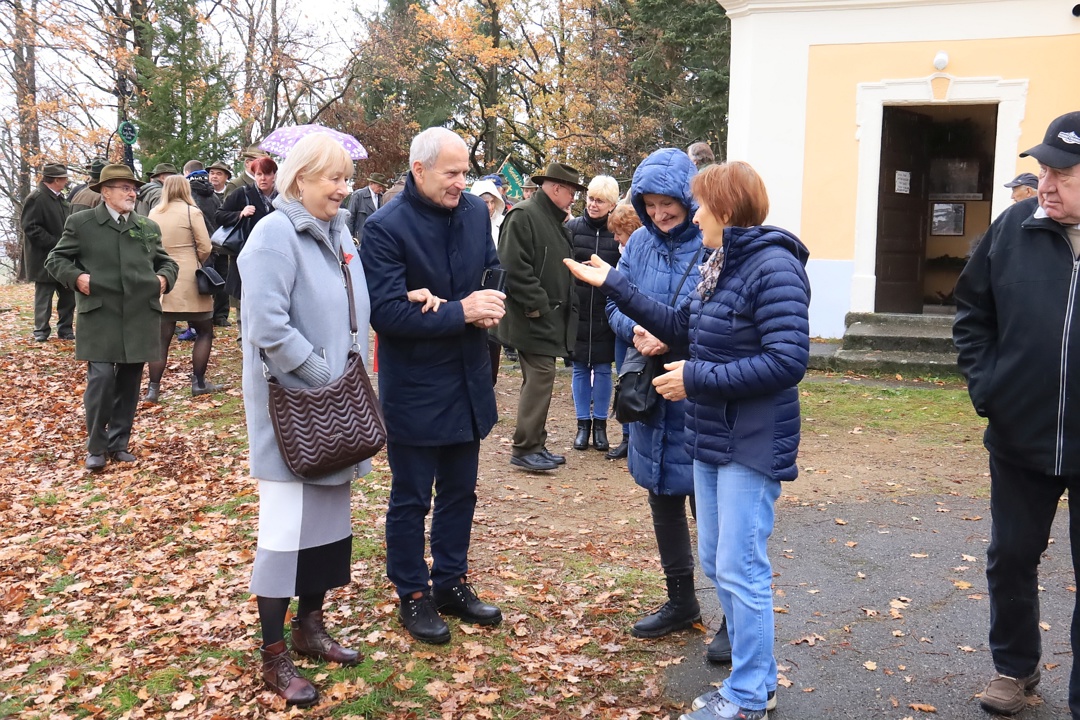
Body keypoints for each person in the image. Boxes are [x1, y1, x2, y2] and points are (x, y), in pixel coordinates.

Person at [567, 160, 811, 720]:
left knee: (741, 567)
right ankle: (757, 682)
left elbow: (787, 361)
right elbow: (682, 327)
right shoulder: (718, 260)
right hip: (712, 435)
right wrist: (615, 283)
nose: (693, 216)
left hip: (750, 440)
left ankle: (748, 695)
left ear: (726, 209)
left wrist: (696, 378)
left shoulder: (773, 266)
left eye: (702, 207)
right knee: (718, 562)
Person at [954, 110, 1080, 720]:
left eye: (1063, 175)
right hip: (1019, 435)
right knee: (1010, 557)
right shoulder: (1013, 227)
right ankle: (1014, 668)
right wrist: (990, 390)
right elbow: (972, 314)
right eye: (1043, 170)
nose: (1045, 185)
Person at [238, 133, 370, 707]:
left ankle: (309, 627)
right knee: (284, 536)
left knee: (326, 530)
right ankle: (274, 655)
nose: (343, 189)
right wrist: (319, 373)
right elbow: (266, 325)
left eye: (347, 178)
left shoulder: (338, 234)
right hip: (294, 413)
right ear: (300, 179)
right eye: (333, 178)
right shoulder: (273, 236)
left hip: (336, 409)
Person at [361, 127, 506, 645]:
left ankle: (450, 582)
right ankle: (413, 593)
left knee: (460, 492)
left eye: (465, 172)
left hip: (468, 377)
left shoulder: (474, 213)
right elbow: (386, 314)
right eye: (452, 173)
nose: (461, 182)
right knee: (411, 497)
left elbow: (493, 270)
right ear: (419, 170)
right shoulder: (384, 227)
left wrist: (490, 302)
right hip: (417, 385)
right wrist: (460, 311)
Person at [602, 149, 713, 644]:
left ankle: (733, 616)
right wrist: (636, 331)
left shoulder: (712, 241)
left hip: (698, 389)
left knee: (711, 508)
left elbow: (722, 317)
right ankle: (680, 601)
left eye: (667, 204)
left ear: (688, 199)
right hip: (650, 390)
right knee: (662, 496)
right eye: (649, 205)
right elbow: (614, 301)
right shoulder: (641, 244)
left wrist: (673, 339)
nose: (659, 213)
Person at [45, 164, 179, 471]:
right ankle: (96, 446)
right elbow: (56, 258)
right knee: (102, 380)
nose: (132, 193)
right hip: (100, 314)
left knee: (130, 382)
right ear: (105, 192)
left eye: (134, 189)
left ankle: (119, 444)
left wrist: (164, 278)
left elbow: (166, 262)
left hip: (139, 314)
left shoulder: (147, 226)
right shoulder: (82, 223)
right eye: (125, 188)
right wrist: (77, 277)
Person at [493, 162, 584, 472]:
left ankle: (534, 444)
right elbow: (512, 267)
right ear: (556, 188)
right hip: (531, 318)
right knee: (541, 377)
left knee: (540, 379)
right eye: (571, 191)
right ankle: (526, 447)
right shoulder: (524, 215)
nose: (573, 198)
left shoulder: (549, 218)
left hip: (544, 317)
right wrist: (539, 305)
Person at [143, 176, 223, 401]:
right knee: (204, 330)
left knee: (161, 338)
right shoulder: (192, 212)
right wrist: (195, 261)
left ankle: (153, 389)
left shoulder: (154, 213)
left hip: (163, 279)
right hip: (189, 279)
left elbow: (147, 246)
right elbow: (205, 246)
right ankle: (199, 382)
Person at [567, 175, 621, 452]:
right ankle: (582, 425)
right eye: (590, 198)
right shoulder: (572, 228)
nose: (593, 204)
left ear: (612, 204)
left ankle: (600, 425)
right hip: (578, 309)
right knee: (579, 368)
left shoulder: (617, 233)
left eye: (600, 200)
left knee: (602, 369)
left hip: (605, 311)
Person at [216, 155, 278, 337]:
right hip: (246, 256)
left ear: (274, 175)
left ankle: (267, 336)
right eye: (258, 174)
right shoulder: (243, 193)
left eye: (267, 174)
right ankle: (244, 339)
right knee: (245, 299)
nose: (262, 178)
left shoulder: (282, 197)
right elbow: (219, 215)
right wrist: (239, 214)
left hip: (274, 257)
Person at [602, 201, 643, 460]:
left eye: (619, 232)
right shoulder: (622, 256)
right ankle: (627, 437)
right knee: (624, 385)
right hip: (625, 331)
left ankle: (638, 438)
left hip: (645, 334)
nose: (616, 238)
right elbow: (614, 300)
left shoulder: (645, 254)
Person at [21, 162, 74, 342]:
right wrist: (56, 244)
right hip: (42, 257)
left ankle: (65, 330)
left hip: (64, 257)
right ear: (56, 180)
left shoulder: (60, 198)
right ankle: (41, 331)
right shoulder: (36, 198)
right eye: (64, 178)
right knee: (44, 295)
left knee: (68, 294)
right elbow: (31, 227)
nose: (66, 181)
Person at [184, 161, 229, 327]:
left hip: (200, 244)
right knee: (221, 280)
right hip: (219, 242)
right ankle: (220, 316)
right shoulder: (214, 195)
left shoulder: (188, 196)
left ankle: (201, 319)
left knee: (201, 281)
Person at [347, 171, 389, 243]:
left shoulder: (381, 197)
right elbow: (350, 218)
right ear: (371, 184)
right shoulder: (358, 195)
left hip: (376, 239)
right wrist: (349, 238)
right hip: (360, 239)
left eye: (382, 187)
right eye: (379, 186)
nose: (381, 189)